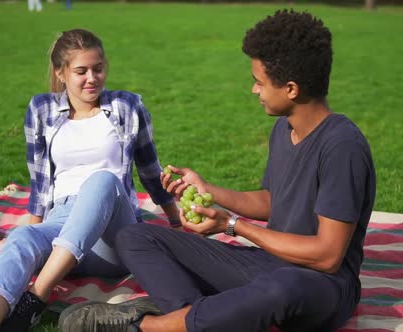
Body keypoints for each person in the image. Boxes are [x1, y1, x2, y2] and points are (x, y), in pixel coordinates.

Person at [58, 9, 376, 332]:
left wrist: (232, 225)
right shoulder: (284, 129)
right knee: (135, 238)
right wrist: (208, 190)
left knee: (281, 289)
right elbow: (270, 201)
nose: (254, 90)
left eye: (259, 82)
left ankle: (147, 326)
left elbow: (327, 256)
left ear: (291, 89)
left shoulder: (342, 146)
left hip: (321, 286)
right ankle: (199, 318)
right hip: (267, 265)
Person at [0, 28, 180, 332]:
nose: (92, 78)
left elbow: (150, 171)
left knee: (102, 180)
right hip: (61, 222)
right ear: (61, 73)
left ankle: (36, 298)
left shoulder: (127, 107)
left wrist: (178, 222)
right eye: (81, 71)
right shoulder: (41, 110)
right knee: (22, 238)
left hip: (113, 237)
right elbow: (39, 182)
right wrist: (35, 229)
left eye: (98, 68)